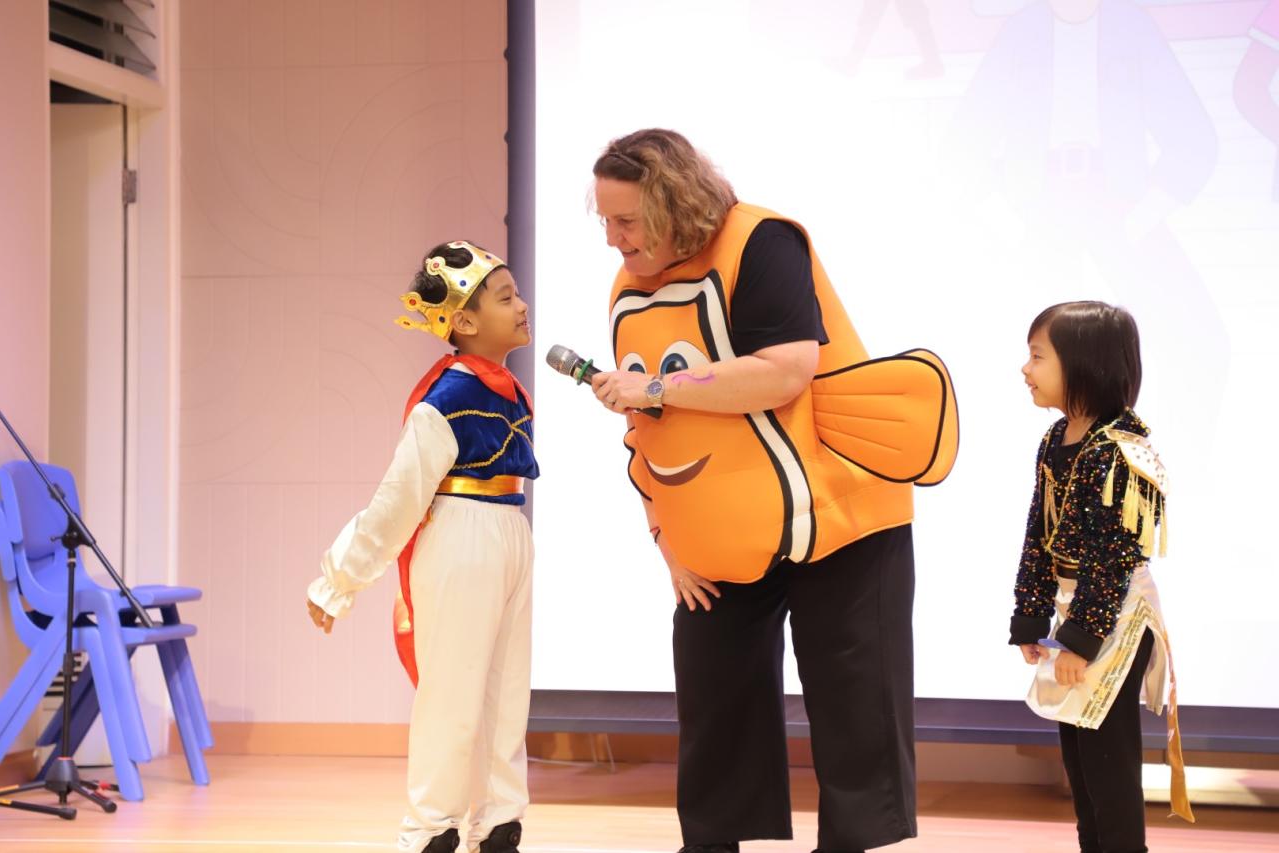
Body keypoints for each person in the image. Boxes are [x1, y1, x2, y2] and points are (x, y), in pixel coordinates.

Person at [587, 128, 957, 853]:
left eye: (626, 220)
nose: (613, 239)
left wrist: (657, 385)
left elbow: (785, 370)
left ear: (671, 203)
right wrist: (669, 541)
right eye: (604, 220)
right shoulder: (629, 286)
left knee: (854, 711)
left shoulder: (761, 242)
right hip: (726, 529)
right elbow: (647, 429)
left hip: (840, 513)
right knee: (714, 698)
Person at [305, 241, 536, 853]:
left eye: (517, 294)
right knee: (453, 689)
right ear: (463, 322)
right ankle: (431, 828)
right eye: (506, 298)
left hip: (509, 529)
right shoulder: (445, 400)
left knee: (506, 688)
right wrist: (340, 580)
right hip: (462, 533)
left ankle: (499, 820)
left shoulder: (510, 389)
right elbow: (398, 499)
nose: (522, 306)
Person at [1012, 300, 1193, 853]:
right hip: (1078, 616)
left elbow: (1111, 559)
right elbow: (1039, 533)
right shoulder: (1056, 439)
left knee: (1108, 772)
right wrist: (1030, 617)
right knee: (1081, 770)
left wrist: (1081, 641)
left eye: (1037, 357)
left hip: (1114, 619)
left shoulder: (1120, 453)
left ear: (1083, 364)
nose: (1025, 369)